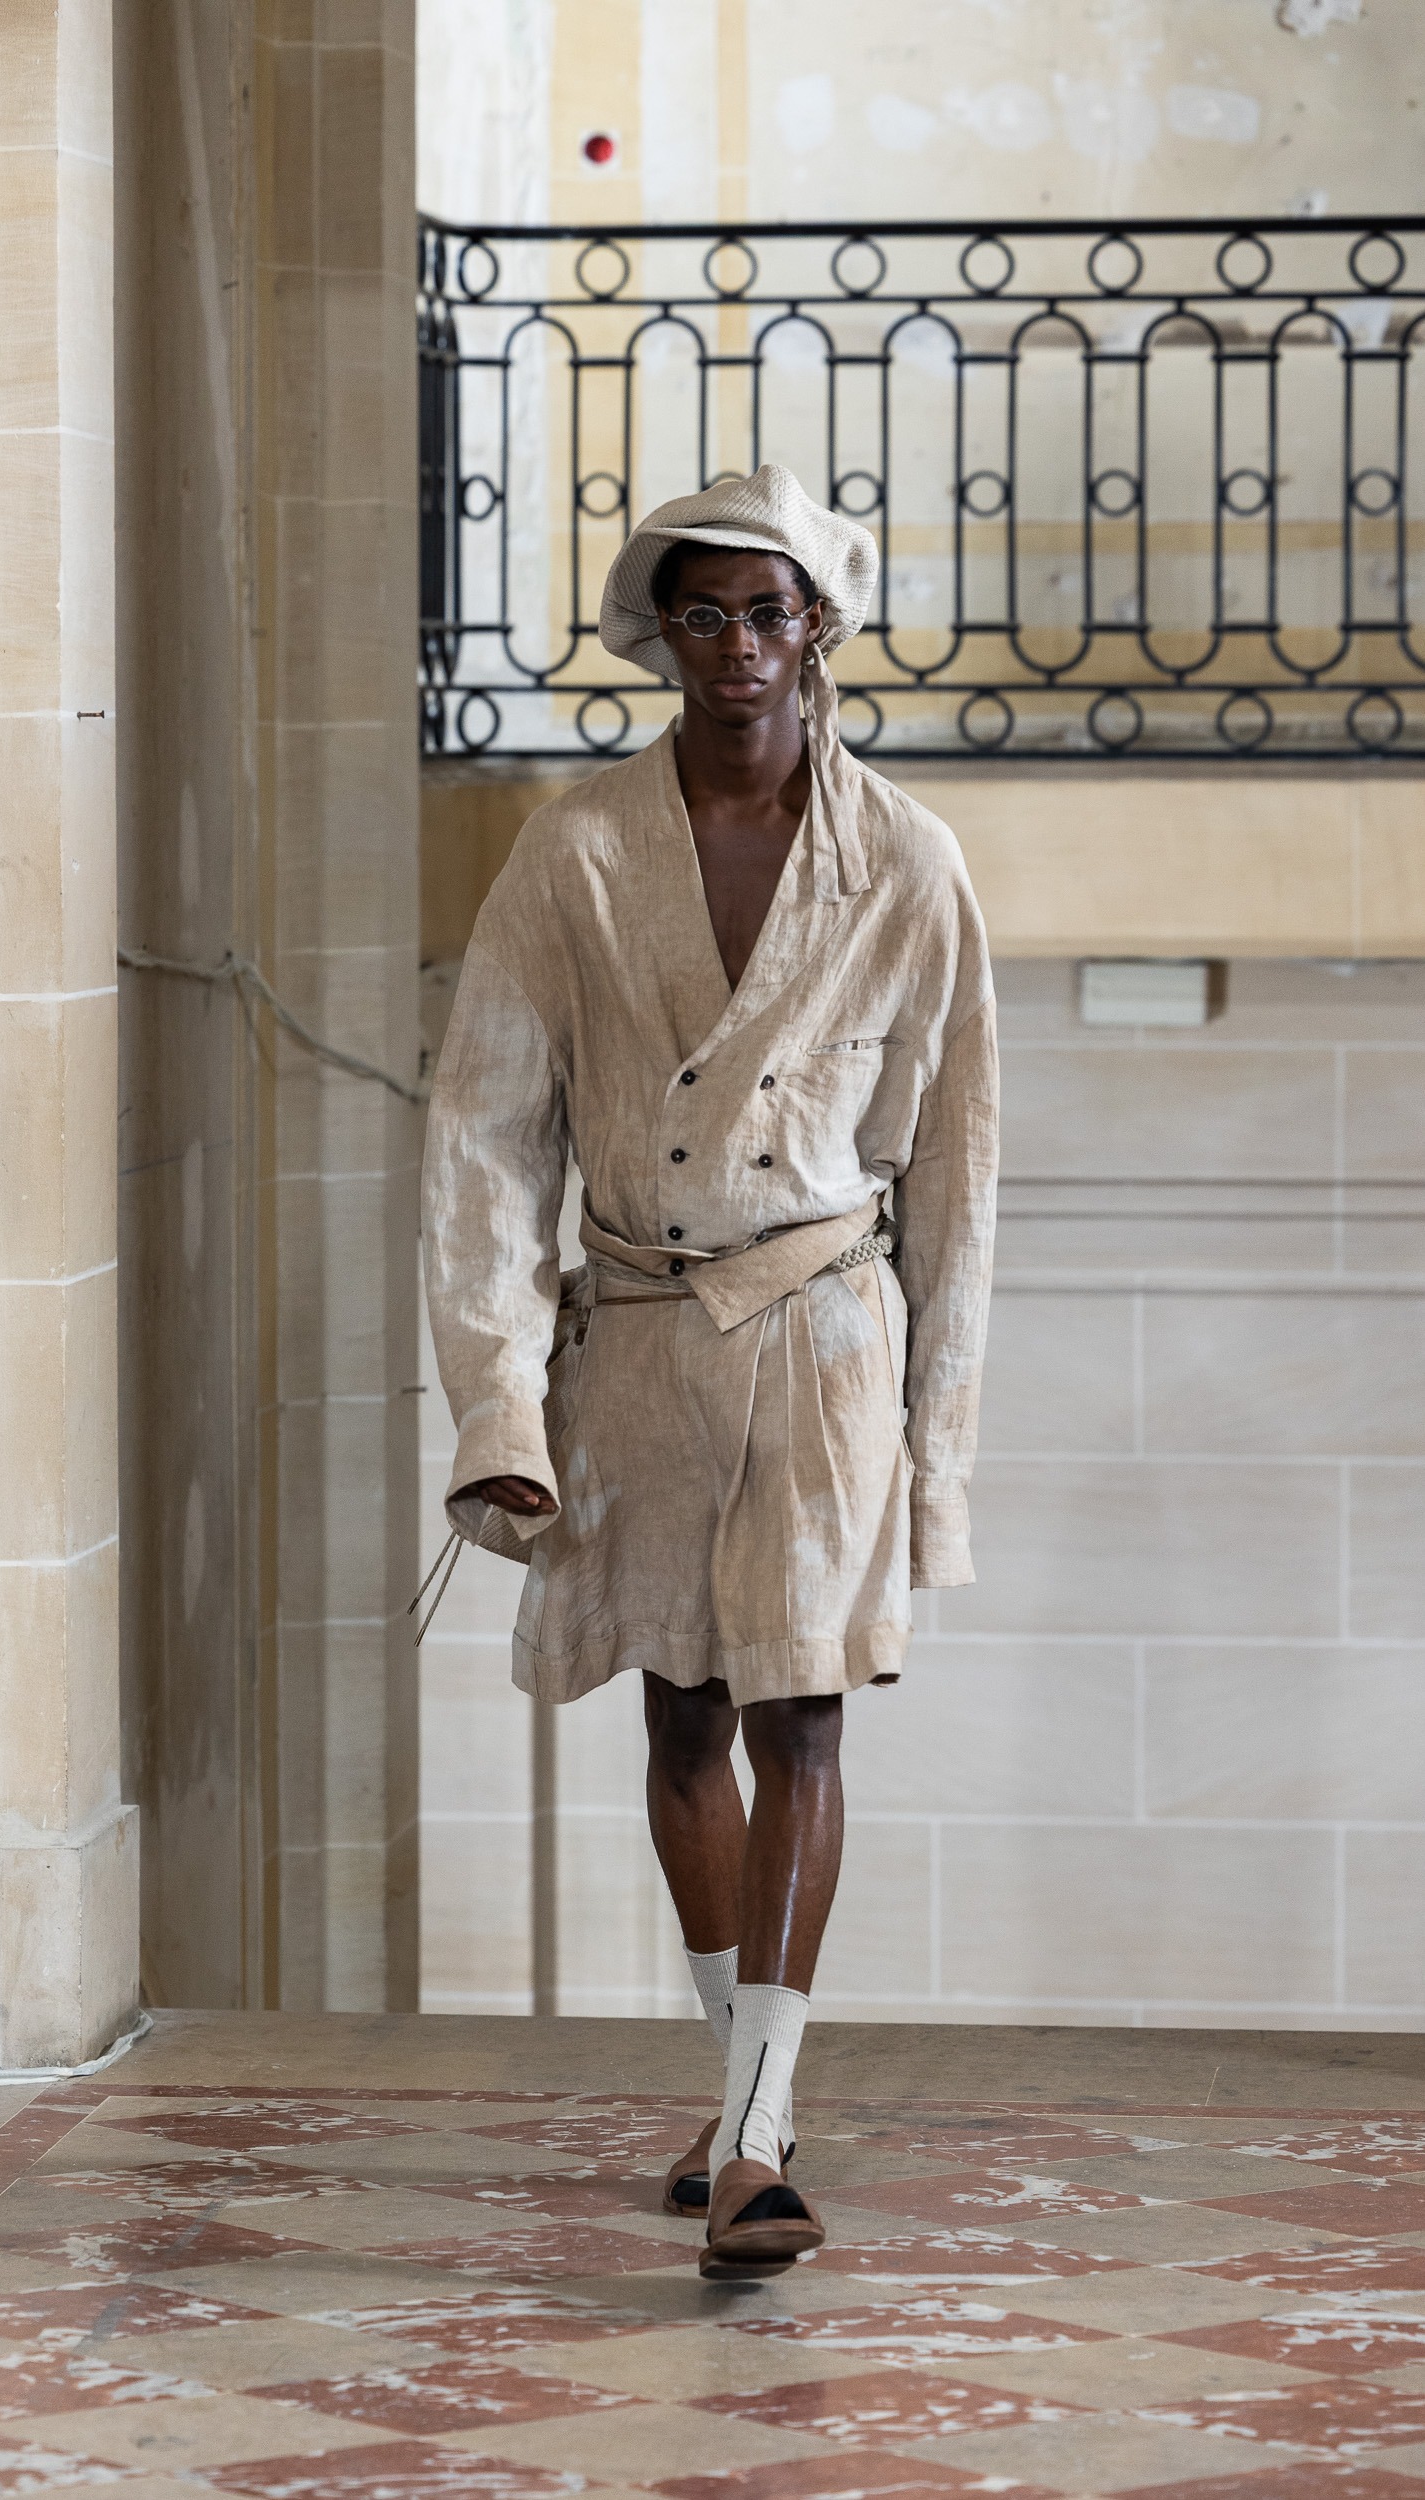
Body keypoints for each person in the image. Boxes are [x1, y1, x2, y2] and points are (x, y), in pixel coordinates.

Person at [422, 464, 997, 2278]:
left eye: (767, 611)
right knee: (681, 1713)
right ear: (659, 634)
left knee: (802, 1711)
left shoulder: (907, 861)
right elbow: (482, 1139)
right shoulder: (576, 854)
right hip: (640, 1334)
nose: (737, 645)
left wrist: (939, 1451)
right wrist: (497, 1403)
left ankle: (754, 2135)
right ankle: (744, 2088)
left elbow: (960, 1171)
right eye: (702, 613)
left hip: (826, 1332)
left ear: (819, 626)